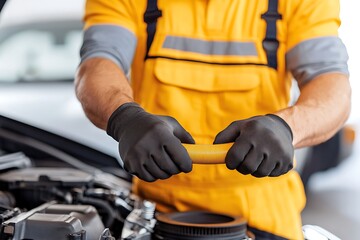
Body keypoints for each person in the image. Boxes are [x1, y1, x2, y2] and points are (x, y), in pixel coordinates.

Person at [75, 0, 351, 239]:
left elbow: (332, 86)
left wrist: (287, 126)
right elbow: (98, 65)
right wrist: (125, 117)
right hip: (156, 215)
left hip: (267, 215)